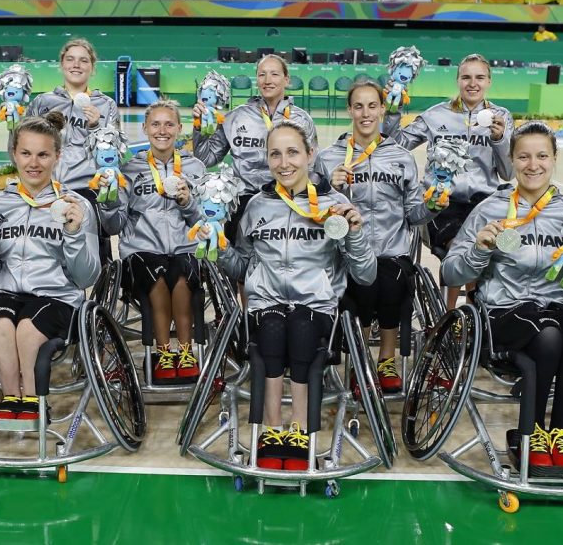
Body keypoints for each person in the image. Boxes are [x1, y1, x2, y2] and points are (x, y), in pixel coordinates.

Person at [443, 122, 563, 476]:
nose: (533, 165)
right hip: (505, 310)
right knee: (547, 334)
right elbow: (450, 273)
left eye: (542, 156)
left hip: (559, 305)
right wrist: (478, 250)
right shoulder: (491, 208)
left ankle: (560, 433)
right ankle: (529, 433)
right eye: (524, 157)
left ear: (554, 160)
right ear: (513, 160)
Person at [214, 119, 376, 471]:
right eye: (275, 154)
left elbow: (365, 274)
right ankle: (271, 430)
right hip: (265, 304)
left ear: (310, 155)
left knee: (302, 328)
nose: (283, 162)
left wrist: (356, 233)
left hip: (316, 306)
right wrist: (219, 248)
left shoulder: (334, 205)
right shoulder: (256, 206)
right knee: (272, 329)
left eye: (292, 152)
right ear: (267, 159)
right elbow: (242, 267)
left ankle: (301, 428)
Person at [0, 112, 99, 421]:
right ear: (14, 154)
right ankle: (12, 398)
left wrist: (75, 234)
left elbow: (87, 276)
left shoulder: (75, 205)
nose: (33, 163)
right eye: (26, 153)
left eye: (43, 154)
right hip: (8, 294)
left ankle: (35, 401)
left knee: (26, 327)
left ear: (57, 156)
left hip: (58, 298)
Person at [315, 79, 441, 393]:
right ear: (349, 110)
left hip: (390, 252)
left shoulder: (401, 157)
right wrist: (331, 189)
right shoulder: (329, 158)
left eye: (372, 105)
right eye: (359, 106)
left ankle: (385, 359)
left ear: (383, 108)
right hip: (345, 253)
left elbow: (414, 214)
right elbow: (313, 212)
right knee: (364, 282)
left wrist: (433, 206)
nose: (366, 113)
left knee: (391, 278)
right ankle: (360, 360)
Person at [384, 53, 514, 309]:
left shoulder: (501, 117)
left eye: (479, 77)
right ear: (457, 80)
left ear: (489, 82)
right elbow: (395, 145)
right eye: (466, 77)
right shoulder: (436, 115)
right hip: (442, 203)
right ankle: (449, 317)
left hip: (484, 204)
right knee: (461, 247)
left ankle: (478, 315)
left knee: (487, 246)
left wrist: (500, 140)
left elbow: (509, 173)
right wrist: (392, 110)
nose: (472, 83)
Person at [98, 100, 206, 383]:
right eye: (155, 124)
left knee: (182, 278)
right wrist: (107, 202)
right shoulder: (129, 169)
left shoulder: (194, 168)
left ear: (180, 129)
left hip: (185, 247)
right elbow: (114, 225)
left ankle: (185, 351)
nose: (162, 130)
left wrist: (188, 202)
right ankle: (163, 352)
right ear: (145, 128)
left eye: (169, 124)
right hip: (142, 251)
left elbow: (205, 221)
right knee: (157, 279)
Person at [192, 54, 316, 245]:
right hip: (243, 201)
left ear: (286, 79)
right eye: (262, 75)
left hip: (286, 201)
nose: (267, 80)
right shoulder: (236, 117)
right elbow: (206, 158)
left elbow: (311, 168)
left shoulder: (302, 120)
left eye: (274, 74)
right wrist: (200, 127)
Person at [26, 38, 120, 265]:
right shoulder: (43, 102)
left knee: (93, 254)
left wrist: (96, 126)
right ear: (62, 64)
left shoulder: (105, 105)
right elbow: (23, 144)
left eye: (83, 60)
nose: (76, 65)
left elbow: (114, 153)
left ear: (92, 67)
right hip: (47, 187)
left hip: (88, 188)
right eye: (70, 59)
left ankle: (97, 290)